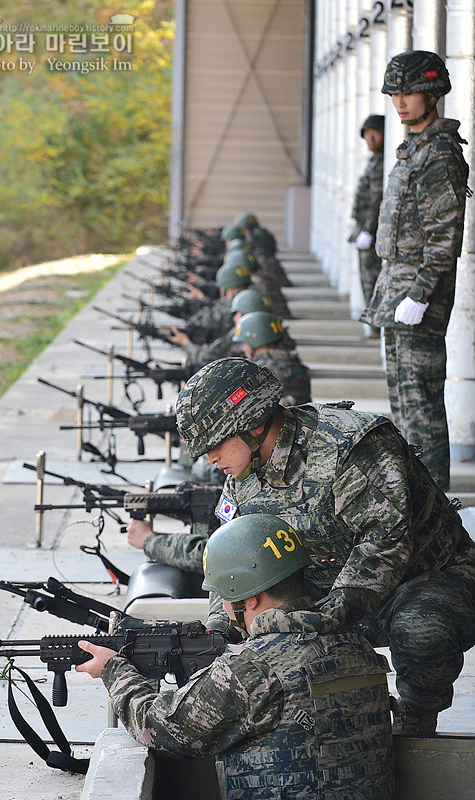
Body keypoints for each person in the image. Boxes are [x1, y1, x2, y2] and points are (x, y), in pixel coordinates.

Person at [175, 357, 475, 733]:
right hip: (328, 588)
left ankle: (417, 716)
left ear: (253, 424)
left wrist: (317, 620)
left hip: (425, 581)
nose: (211, 459)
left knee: (422, 626)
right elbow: (232, 560)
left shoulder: (352, 447)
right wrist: (223, 630)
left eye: (216, 444)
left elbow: (383, 546)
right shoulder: (244, 471)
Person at [77, 513, 394, 799]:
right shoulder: (357, 644)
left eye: (226, 598)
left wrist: (113, 669)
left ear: (251, 600)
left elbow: (157, 729)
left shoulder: (252, 669)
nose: (225, 609)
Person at [361, 51, 469, 491]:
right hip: (398, 294)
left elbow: (445, 238)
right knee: (405, 406)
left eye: (409, 92)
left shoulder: (439, 154)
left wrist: (420, 294)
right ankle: (418, 501)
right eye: (395, 94)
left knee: (421, 406)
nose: (400, 102)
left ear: (432, 93)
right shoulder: (414, 149)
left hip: (416, 299)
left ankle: (437, 504)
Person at [349, 114, 384, 336]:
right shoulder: (374, 161)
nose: (370, 140)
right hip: (365, 229)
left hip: (373, 232)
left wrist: (369, 230)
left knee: (372, 278)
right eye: (367, 136)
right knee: (366, 278)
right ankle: (373, 321)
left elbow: (376, 199)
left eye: (374, 134)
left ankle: (375, 323)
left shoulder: (382, 163)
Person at [232, 310, 311, 405]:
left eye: (246, 343)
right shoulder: (296, 365)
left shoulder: (257, 372)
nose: (244, 348)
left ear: (254, 341)